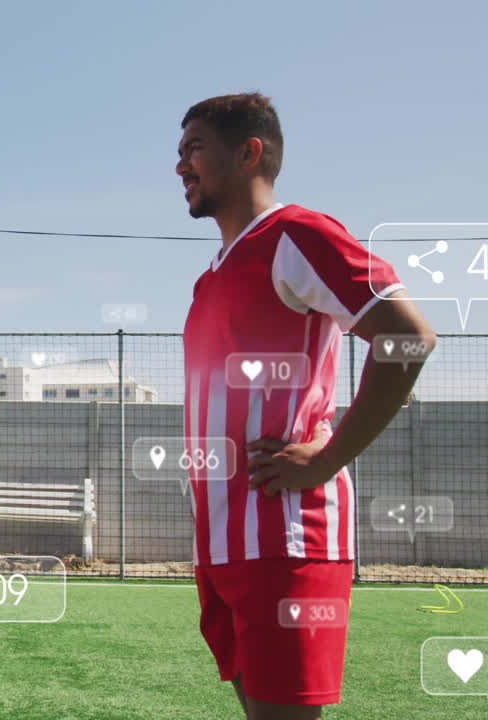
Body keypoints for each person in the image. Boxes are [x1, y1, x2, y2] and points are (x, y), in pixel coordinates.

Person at [175, 93, 435, 720]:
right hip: (222, 541)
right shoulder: (211, 274)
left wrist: (325, 459)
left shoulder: (296, 235)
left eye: (194, 149)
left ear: (249, 152)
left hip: (286, 537)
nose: (180, 166)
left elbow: (409, 339)